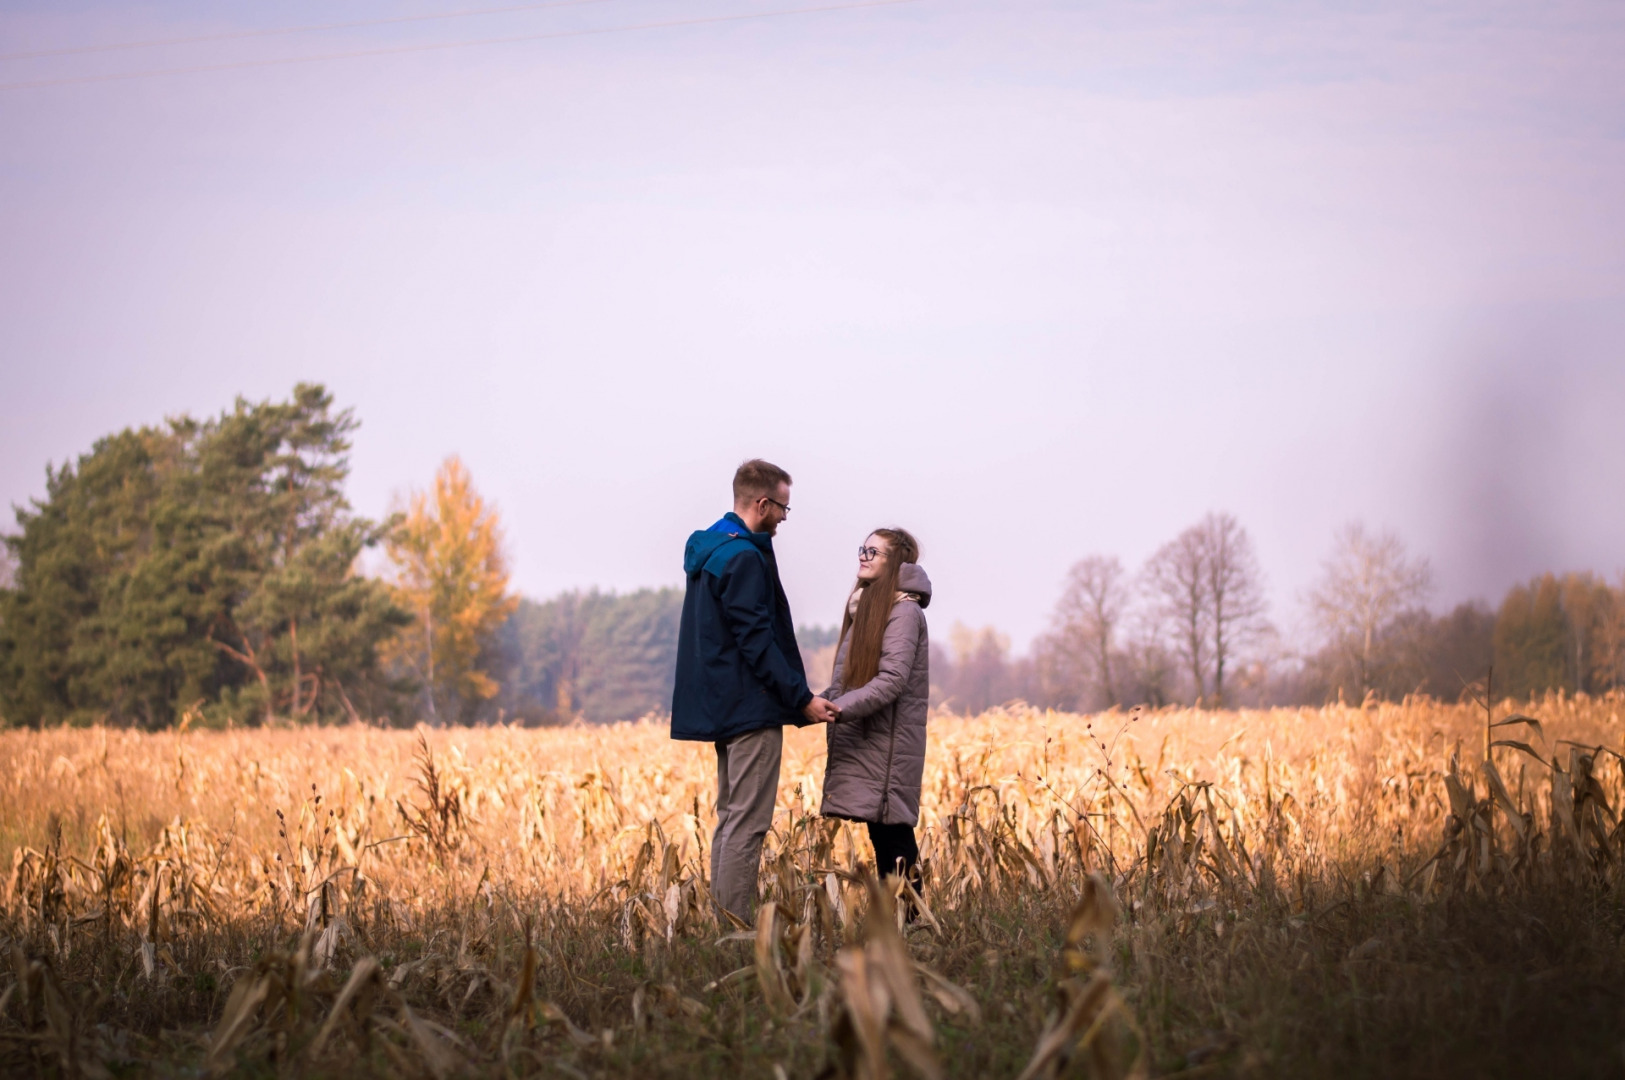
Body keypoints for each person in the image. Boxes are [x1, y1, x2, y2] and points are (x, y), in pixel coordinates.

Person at [671, 459, 839, 924]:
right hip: (750, 710)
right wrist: (800, 698)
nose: (784, 520)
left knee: (730, 819)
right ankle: (736, 928)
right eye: (782, 509)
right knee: (747, 824)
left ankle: (723, 922)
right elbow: (757, 641)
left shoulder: (712, 550)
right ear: (762, 503)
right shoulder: (744, 557)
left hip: (721, 707)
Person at [819, 527, 931, 894]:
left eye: (873, 552)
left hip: (888, 748)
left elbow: (891, 681)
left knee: (895, 841)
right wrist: (803, 706)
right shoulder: (869, 608)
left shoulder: (904, 612)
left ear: (894, 561)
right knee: (886, 838)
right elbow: (848, 683)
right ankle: (902, 929)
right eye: (862, 549)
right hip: (871, 741)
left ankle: (915, 927)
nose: (863, 557)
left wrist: (835, 709)